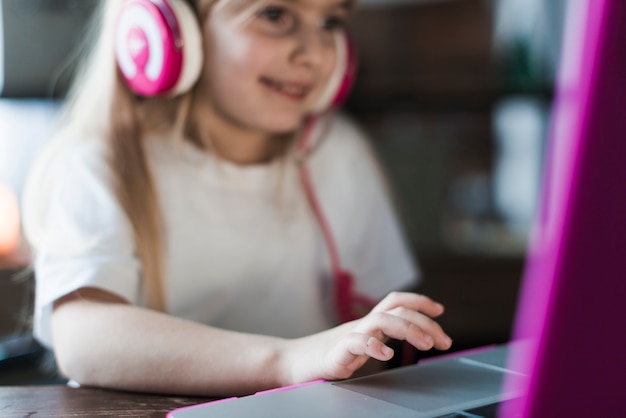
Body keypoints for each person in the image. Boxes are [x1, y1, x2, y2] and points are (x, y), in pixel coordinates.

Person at [22, 0, 452, 397]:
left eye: (330, 22)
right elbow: (83, 339)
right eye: (275, 15)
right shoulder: (105, 161)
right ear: (172, 28)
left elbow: (377, 327)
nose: (315, 54)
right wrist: (286, 361)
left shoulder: (337, 152)